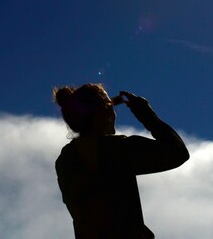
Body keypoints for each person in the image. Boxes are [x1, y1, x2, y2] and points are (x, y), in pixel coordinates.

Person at [53, 83, 189, 239]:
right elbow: (177, 152)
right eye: (111, 108)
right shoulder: (114, 149)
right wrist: (146, 114)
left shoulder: (65, 160)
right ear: (104, 113)